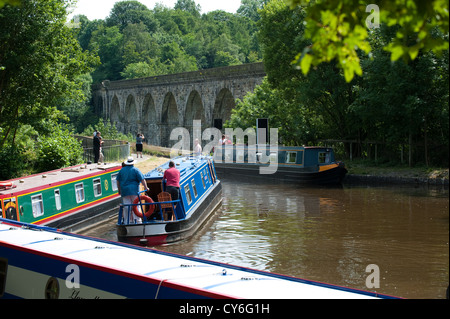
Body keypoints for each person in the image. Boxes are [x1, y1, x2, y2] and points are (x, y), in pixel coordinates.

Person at [116, 156, 149, 224]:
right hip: (134, 191)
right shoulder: (136, 170)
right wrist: (146, 187)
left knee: (126, 207)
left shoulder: (122, 170)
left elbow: (118, 181)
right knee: (136, 206)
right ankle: (137, 221)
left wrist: (119, 190)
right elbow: (142, 179)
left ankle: (127, 222)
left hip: (124, 191)